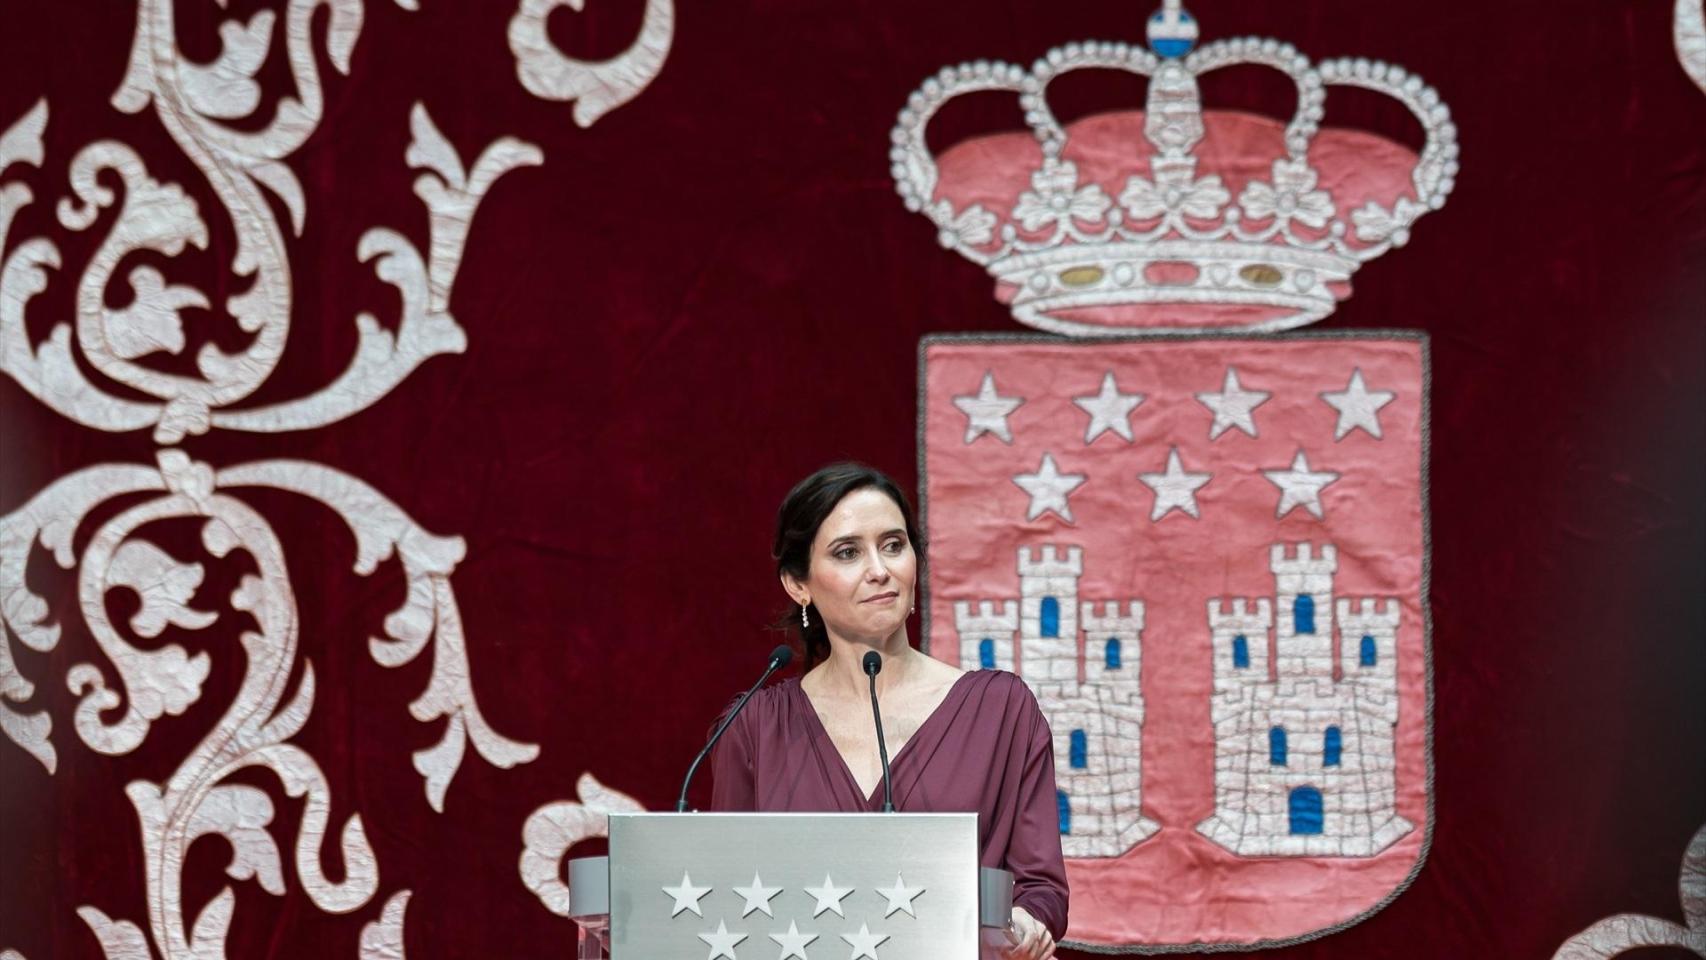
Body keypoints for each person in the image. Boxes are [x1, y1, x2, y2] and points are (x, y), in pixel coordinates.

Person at [709, 462, 1068, 958]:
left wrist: (1026, 923)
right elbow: (726, 897)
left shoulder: (1001, 710)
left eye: (894, 546)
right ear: (798, 584)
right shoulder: (754, 727)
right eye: (848, 552)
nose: (880, 569)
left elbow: (1040, 887)